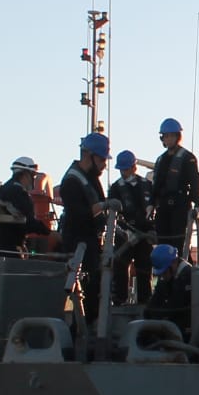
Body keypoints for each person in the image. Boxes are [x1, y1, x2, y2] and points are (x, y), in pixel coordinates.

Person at [60, 133, 113, 325]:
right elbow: (79, 214)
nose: (103, 164)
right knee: (85, 288)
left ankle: (92, 324)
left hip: (91, 241)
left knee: (95, 287)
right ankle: (79, 330)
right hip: (78, 243)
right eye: (100, 159)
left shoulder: (90, 178)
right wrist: (104, 207)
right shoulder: (72, 181)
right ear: (88, 155)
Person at [106, 150, 155, 307]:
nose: (124, 173)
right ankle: (120, 299)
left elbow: (153, 209)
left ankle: (144, 300)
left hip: (144, 234)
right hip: (124, 234)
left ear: (134, 167)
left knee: (144, 267)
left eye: (126, 169)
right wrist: (123, 230)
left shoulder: (147, 185)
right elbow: (113, 212)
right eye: (122, 169)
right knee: (121, 265)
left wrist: (151, 230)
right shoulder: (116, 188)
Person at [152, 118, 199, 254]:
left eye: (171, 136)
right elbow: (156, 185)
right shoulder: (161, 160)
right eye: (166, 136)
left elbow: (195, 182)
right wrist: (151, 204)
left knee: (178, 244)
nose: (168, 139)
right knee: (162, 242)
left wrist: (197, 204)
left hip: (180, 205)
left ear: (177, 137)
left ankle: (181, 271)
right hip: (163, 206)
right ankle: (165, 272)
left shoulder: (188, 158)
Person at [0, 156, 51, 257]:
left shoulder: (6, 189)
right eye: (34, 175)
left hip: (1, 246)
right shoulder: (18, 192)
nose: (34, 179)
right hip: (10, 249)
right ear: (26, 174)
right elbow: (29, 222)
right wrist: (49, 233)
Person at [145, 243, 194, 336]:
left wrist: (157, 315)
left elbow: (176, 306)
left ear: (173, 262)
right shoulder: (169, 277)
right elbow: (156, 298)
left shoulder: (187, 276)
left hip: (184, 329)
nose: (162, 276)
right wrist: (149, 312)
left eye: (164, 272)